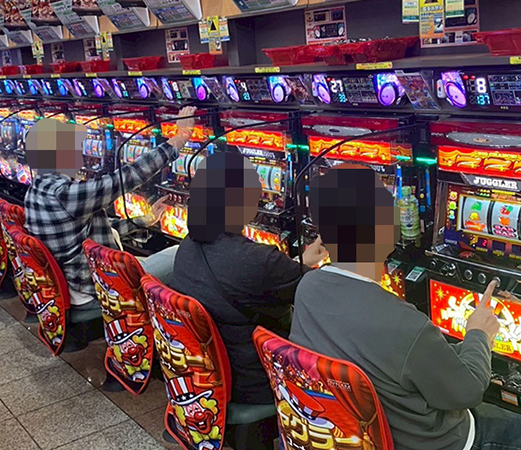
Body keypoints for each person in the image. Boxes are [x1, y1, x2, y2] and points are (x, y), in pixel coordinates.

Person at [290, 163, 521, 450]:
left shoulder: (307, 288)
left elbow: (400, 358)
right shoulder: (402, 324)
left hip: (354, 437)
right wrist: (479, 333)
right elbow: (468, 391)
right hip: (436, 442)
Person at [171, 151, 327, 404]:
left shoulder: (188, 245)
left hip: (211, 375)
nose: (262, 193)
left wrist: (301, 263)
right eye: (255, 184)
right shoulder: (258, 261)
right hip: (259, 381)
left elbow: (266, 277)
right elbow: (323, 294)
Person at [24, 106, 197, 311]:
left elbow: (96, 231)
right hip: (98, 286)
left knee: (157, 259)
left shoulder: (38, 188)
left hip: (81, 279)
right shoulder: (65, 195)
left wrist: (144, 220)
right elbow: (126, 178)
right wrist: (180, 137)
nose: (82, 155)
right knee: (183, 254)